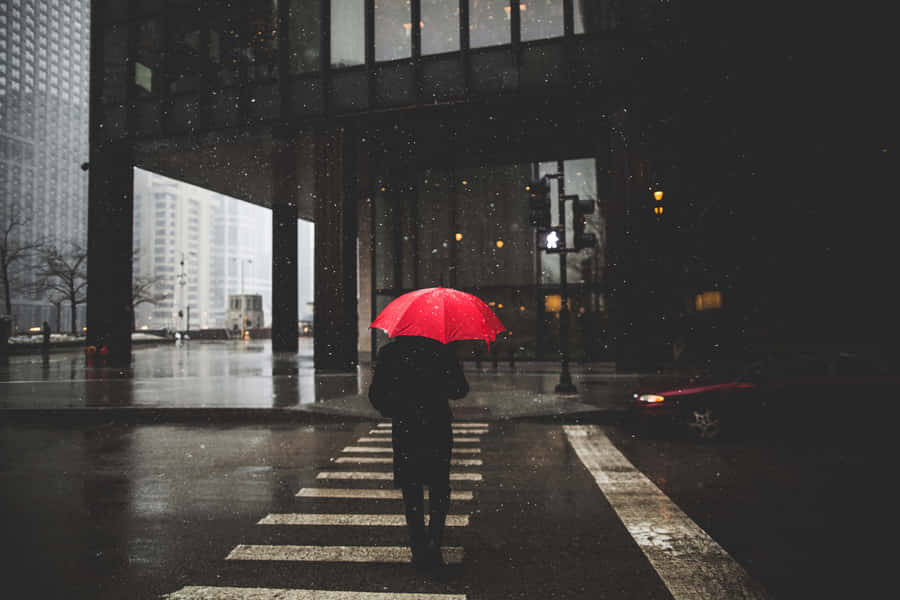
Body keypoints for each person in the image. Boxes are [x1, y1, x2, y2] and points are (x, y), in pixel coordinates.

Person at [368, 335, 469, 575]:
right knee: (439, 487)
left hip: (406, 428)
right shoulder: (441, 351)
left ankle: (418, 546)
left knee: (411, 489)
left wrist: (397, 406)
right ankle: (434, 542)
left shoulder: (390, 353)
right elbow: (460, 389)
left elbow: (376, 396)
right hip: (436, 426)